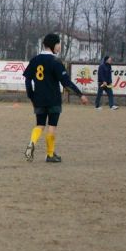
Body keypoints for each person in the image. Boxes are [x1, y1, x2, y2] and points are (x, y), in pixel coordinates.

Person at [23, 33, 89, 163]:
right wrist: (80, 95)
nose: (59, 47)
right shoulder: (55, 62)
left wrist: (32, 97)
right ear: (53, 45)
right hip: (53, 99)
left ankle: (32, 142)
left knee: (40, 125)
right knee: (52, 126)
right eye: (59, 44)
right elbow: (66, 83)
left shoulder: (35, 60)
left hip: (39, 99)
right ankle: (50, 154)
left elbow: (27, 81)